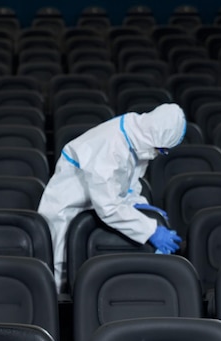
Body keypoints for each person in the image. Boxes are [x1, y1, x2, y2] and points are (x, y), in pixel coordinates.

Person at [38, 103, 186, 293]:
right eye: (163, 150)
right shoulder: (112, 147)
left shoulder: (138, 136)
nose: (159, 154)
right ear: (157, 139)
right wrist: (150, 230)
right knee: (60, 270)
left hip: (91, 204)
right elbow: (108, 206)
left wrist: (144, 208)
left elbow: (128, 187)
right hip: (67, 210)